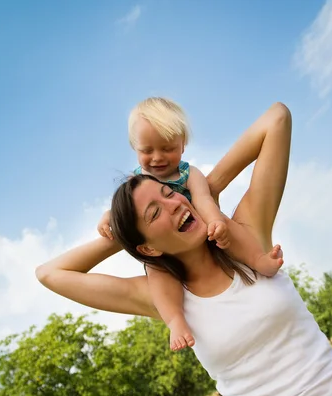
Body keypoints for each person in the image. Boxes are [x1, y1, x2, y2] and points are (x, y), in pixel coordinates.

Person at [36, 102, 332, 396]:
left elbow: (277, 118)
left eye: (169, 193)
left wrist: (205, 190)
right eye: (154, 213)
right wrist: (119, 234)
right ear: (147, 247)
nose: (173, 204)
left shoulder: (247, 239)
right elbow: (49, 274)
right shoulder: (165, 298)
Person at [96, 97, 283, 351]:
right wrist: (110, 218)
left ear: (182, 144)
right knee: (157, 273)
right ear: (134, 148)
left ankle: (258, 260)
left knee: (229, 223)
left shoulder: (189, 174)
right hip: (166, 252)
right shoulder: (136, 181)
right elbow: (124, 210)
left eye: (167, 148)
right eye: (147, 150)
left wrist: (216, 220)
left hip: (199, 220)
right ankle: (175, 319)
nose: (157, 158)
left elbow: (204, 199)